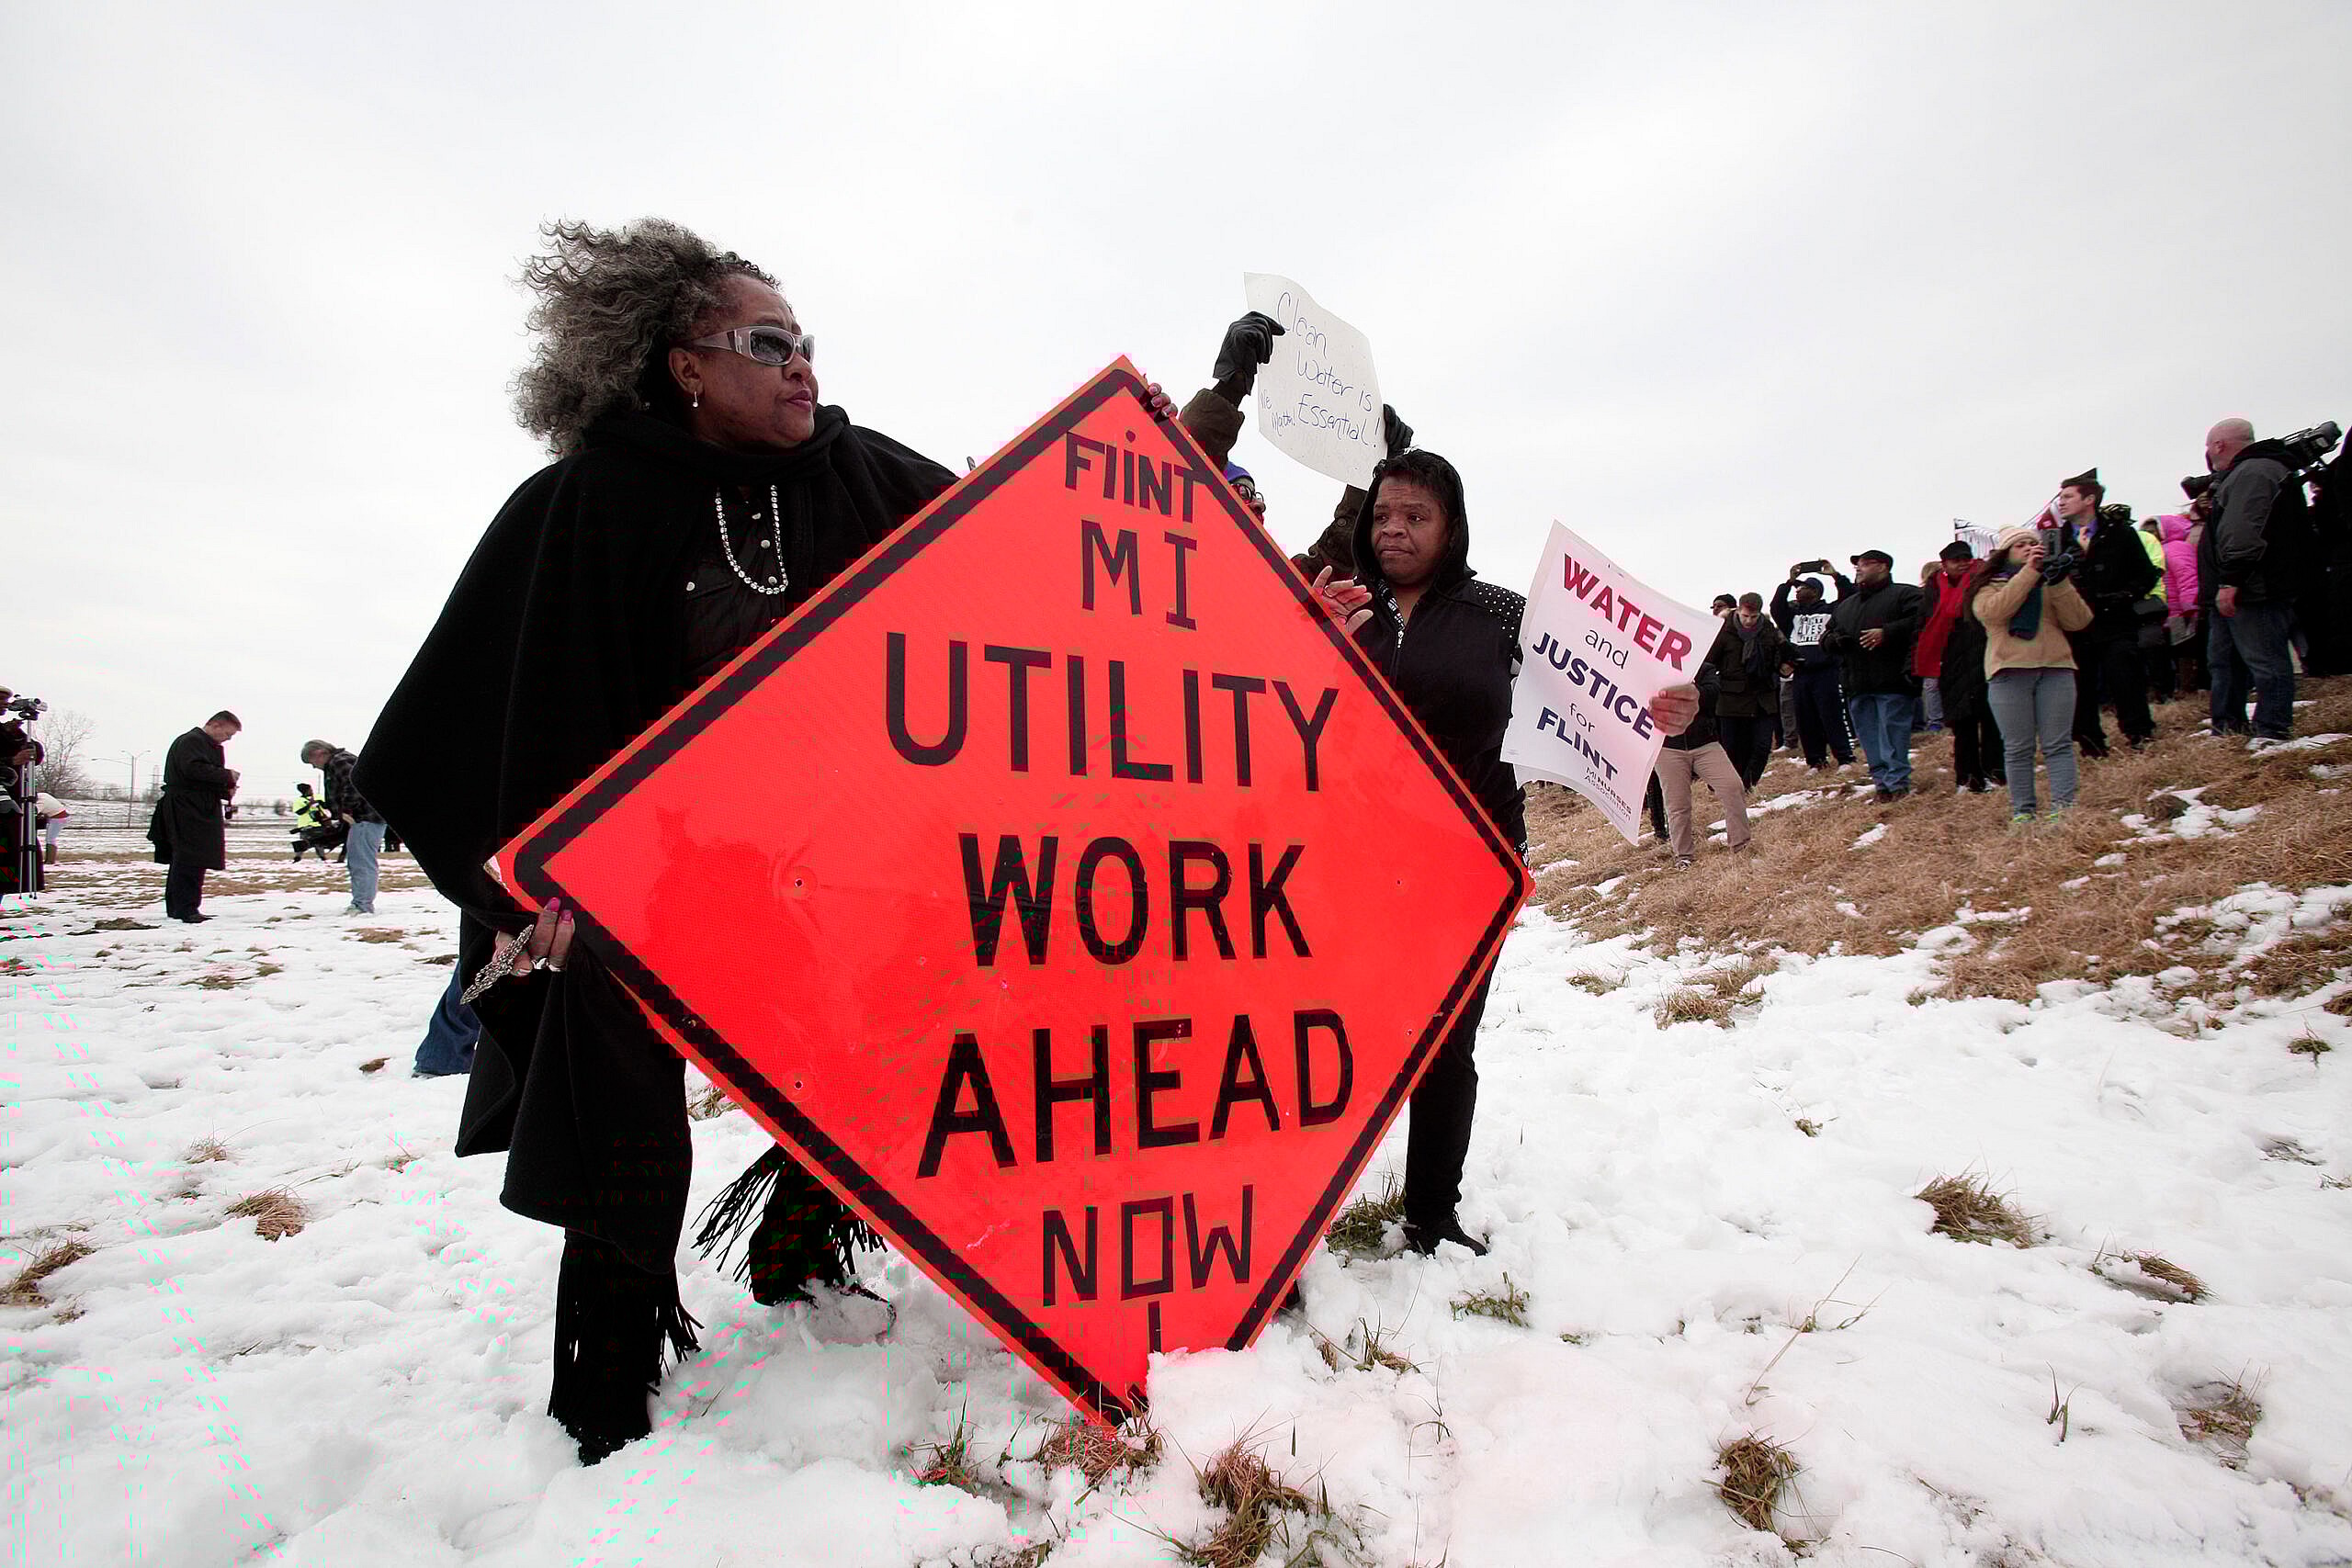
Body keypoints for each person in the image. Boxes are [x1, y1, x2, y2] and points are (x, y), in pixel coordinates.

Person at [356, 220, 1186, 1464]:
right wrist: (532, 872)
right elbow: (465, 721)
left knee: (898, 1058)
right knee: (628, 1122)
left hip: (834, 879)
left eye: (807, 344)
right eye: (767, 342)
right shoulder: (586, 503)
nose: (802, 366)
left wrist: (1137, 470)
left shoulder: (859, 475)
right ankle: (604, 1390)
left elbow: (1027, 554)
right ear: (684, 363)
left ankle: (798, 1252)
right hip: (647, 886)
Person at [1308, 447, 1697, 1255]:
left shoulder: (1502, 614)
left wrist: (1675, 703)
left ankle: (1432, 1216)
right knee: (1334, 1035)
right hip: (1352, 861)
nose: (1394, 530)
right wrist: (1313, 638)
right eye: (1383, 515)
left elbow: (1610, 690)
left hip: (1471, 861)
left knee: (1447, 1041)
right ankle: (1297, 1217)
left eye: (1415, 516)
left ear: (1451, 527)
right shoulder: (1339, 606)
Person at [1175, 310, 1410, 579]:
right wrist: (1231, 385)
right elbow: (1182, 466)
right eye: (1239, 492)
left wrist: (1373, 468)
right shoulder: (1176, 565)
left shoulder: (1266, 589)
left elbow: (1333, 566)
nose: (1256, 505)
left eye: (1252, 494)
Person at [2200, 418, 2310, 747]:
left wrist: (2231, 579)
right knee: (2224, 663)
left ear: (2218, 445)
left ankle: (2272, 731)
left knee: (2266, 661)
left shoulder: (2254, 472)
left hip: (2253, 589)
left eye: (2208, 446)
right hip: (2239, 586)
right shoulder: (2249, 472)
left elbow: (2243, 531)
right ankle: (2228, 728)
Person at [1972, 528, 2092, 822]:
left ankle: (2064, 810)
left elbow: (2079, 621)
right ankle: (2023, 812)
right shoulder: (1989, 586)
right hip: (2009, 671)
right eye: (2020, 546)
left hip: (2055, 668)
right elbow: (1994, 613)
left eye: (2033, 544)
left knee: (2058, 744)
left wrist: (2060, 580)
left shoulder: (2050, 582)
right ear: (2005, 553)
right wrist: (2029, 574)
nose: (2028, 549)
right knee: (2018, 748)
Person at [1653, 619, 1753, 866]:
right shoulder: (1653, 671)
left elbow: (1712, 694)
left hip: (1706, 743)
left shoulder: (1706, 669)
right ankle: (1683, 856)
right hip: (1668, 748)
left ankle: (1741, 846)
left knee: (1732, 786)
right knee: (1677, 805)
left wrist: (1691, 689)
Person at [1826, 549, 1923, 799]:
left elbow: (1924, 620)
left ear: (1883, 567)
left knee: (1892, 733)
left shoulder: (1905, 594)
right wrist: (1836, 641)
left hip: (1894, 680)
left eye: (1865, 564)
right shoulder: (1846, 606)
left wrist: (1887, 633)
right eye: (1857, 565)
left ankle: (1898, 782)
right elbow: (1825, 637)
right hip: (1857, 683)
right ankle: (1882, 785)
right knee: (1869, 737)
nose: (1858, 569)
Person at [2074, 495, 2162, 752]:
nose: (2062, 502)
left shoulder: (2120, 534)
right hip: (2077, 625)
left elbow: (2147, 573)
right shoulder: (2058, 538)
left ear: (2088, 499)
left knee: (2125, 677)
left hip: (2116, 619)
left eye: (2068, 496)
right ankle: (2090, 744)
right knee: (2082, 685)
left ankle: (2139, 734)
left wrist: (2126, 595)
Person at [150, 713, 242, 921]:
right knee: (190, 858)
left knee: (188, 858)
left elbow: (203, 779)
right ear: (215, 725)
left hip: (197, 805)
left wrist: (225, 790)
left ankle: (180, 907)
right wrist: (227, 776)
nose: (228, 739)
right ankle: (186, 909)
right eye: (227, 734)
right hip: (188, 808)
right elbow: (192, 770)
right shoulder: (191, 741)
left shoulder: (206, 745)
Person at [1770, 565, 1854, 770]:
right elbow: (1776, 606)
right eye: (1797, 589)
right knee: (1806, 720)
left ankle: (1844, 757)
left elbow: (1850, 598)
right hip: (1801, 674)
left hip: (1827, 671)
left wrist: (1836, 576)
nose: (1798, 591)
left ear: (1815, 591)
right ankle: (1816, 761)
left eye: (1803, 588)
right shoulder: (1792, 617)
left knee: (1831, 715)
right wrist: (1789, 582)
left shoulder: (1831, 611)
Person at [301, 740, 387, 912]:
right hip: (362, 818)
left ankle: (363, 905)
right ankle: (361, 902)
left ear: (319, 753)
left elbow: (353, 785)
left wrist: (346, 809)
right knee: (358, 861)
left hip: (363, 817)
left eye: (312, 762)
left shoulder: (339, 761)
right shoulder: (340, 761)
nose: (314, 767)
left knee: (361, 862)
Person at [1712, 592, 1782, 789]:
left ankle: (1747, 785)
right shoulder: (1723, 632)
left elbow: (1779, 655)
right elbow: (1709, 662)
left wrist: (1784, 664)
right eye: (1745, 616)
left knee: (1761, 746)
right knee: (1732, 749)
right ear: (1738, 611)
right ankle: (1731, 787)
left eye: (1753, 617)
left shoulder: (1768, 630)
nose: (1749, 621)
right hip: (1731, 700)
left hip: (1762, 698)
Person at [1914, 543, 1977, 737]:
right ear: (1945, 564)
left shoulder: (1981, 580)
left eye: (1966, 559)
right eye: (1956, 560)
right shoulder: (1933, 590)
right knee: (1934, 685)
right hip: (1942, 646)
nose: (1962, 564)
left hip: (1974, 645)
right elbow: (1923, 621)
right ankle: (1938, 721)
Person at [35, 793, 67, 865]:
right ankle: (48, 859)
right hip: (59, 817)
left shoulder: (41, 803)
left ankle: (50, 860)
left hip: (58, 819)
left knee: (50, 839)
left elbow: (34, 811)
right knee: (50, 839)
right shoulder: (43, 795)